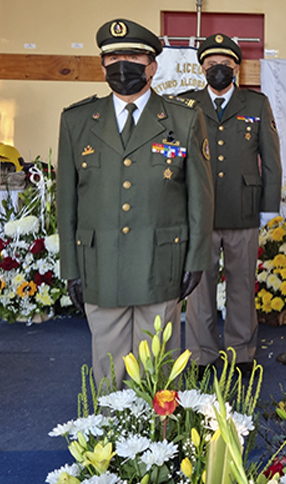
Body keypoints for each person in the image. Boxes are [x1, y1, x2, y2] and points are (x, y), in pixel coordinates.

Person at [57, 18, 214, 389]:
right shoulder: (77, 121)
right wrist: (70, 266)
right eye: (113, 58)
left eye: (132, 57)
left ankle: (157, 443)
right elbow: (66, 202)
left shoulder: (184, 118)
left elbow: (200, 197)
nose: (121, 65)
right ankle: (112, 444)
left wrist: (196, 260)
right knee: (108, 372)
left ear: (152, 66)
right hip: (101, 264)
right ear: (102, 66)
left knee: (158, 372)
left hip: (161, 263)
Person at [181, 34, 282, 374]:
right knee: (199, 288)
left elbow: (270, 159)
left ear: (237, 67)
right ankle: (201, 354)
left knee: (241, 285)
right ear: (202, 69)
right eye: (212, 65)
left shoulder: (256, 104)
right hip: (200, 213)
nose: (219, 70)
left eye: (225, 64)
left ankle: (241, 352)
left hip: (244, 208)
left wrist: (270, 207)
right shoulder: (186, 105)